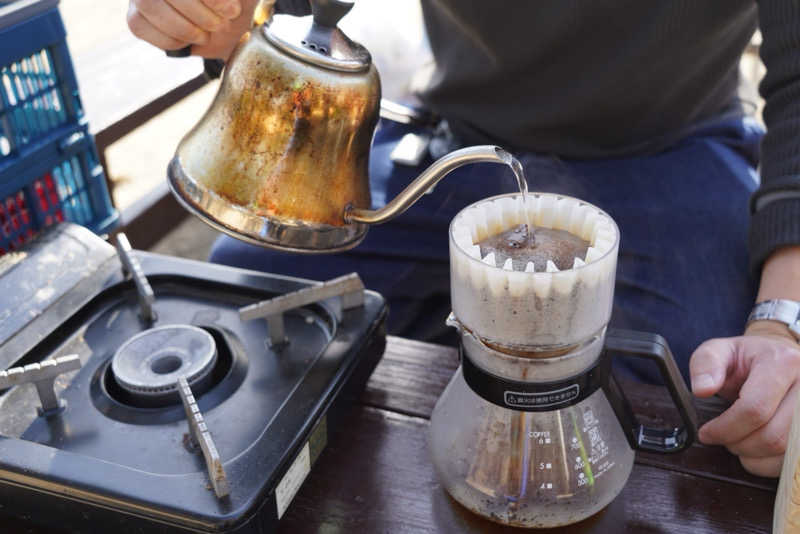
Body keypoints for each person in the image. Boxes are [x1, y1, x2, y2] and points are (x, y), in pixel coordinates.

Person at [128, 0, 800, 477]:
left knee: (698, 406)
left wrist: (781, 327)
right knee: (257, 295)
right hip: (462, 135)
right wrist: (212, 21)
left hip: (667, 143)